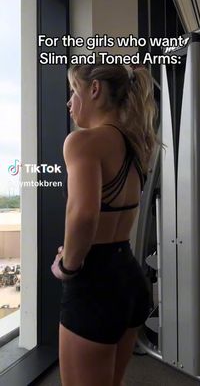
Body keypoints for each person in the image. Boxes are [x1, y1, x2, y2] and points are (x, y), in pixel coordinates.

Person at [51, 61, 157, 386]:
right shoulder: (136, 145)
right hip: (129, 279)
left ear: (94, 90)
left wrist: (67, 265)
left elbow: (83, 215)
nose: (69, 102)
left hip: (94, 286)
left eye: (74, 91)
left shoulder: (81, 142)